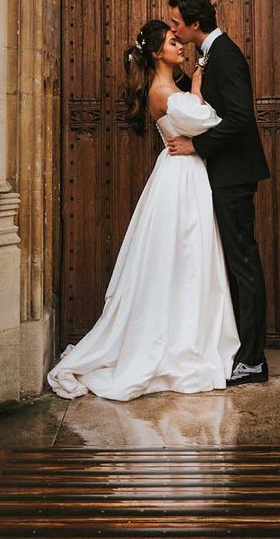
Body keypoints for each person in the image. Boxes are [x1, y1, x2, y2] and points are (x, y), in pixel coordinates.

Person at [47, 20, 240, 401]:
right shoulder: (164, 92)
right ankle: (177, 342)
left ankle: (189, 333)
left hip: (184, 173)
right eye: (172, 42)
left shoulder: (171, 88)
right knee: (183, 256)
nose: (180, 46)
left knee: (189, 259)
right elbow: (208, 120)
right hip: (181, 179)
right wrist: (200, 82)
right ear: (157, 53)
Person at [166, 0, 271, 386]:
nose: (174, 28)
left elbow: (241, 117)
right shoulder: (210, 53)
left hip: (234, 176)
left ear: (196, 24)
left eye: (177, 22)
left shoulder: (226, 55)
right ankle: (239, 351)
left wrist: (197, 144)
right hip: (223, 174)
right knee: (233, 262)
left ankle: (253, 360)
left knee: (243, 262)